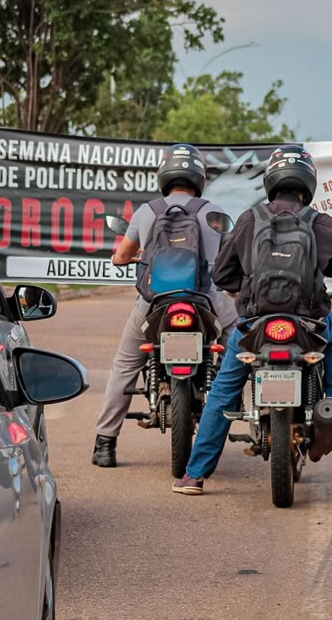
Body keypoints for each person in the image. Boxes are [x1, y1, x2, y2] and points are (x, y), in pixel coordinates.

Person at [172, 145, 332, 495]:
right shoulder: (320, 223)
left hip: (256, 325)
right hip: (309, 325)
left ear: (270, 181)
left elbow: (220, 275)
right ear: (308, 182)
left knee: (222, 391)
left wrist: (244, 287)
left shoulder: (250, 219)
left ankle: (194, 475)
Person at [92, 143, 238, 468]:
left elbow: (124, 254)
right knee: (239, 346)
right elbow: (232, 259)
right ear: (199, 177)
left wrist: (119, 258)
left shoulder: (147, 211)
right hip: (208, 301)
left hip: (154, 303)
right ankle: (244, 408)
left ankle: (105, 443)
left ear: (164, 176)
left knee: (125, 365)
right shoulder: (215, 212)